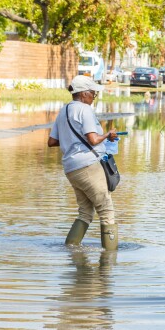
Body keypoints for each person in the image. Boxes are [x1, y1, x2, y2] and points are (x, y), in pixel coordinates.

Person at [48, 75, 119, 250]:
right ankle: (110, 261)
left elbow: (51, 142)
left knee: (85, 212)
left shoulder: (63, 111)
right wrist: (108, 135)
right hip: (88, 167)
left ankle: (71, 249)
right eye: (93, 93)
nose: (94, 96)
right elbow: (93, 139)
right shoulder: (84, 110)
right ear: (83, 94)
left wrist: (70, 141)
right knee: (106, 210)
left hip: (71, 169)